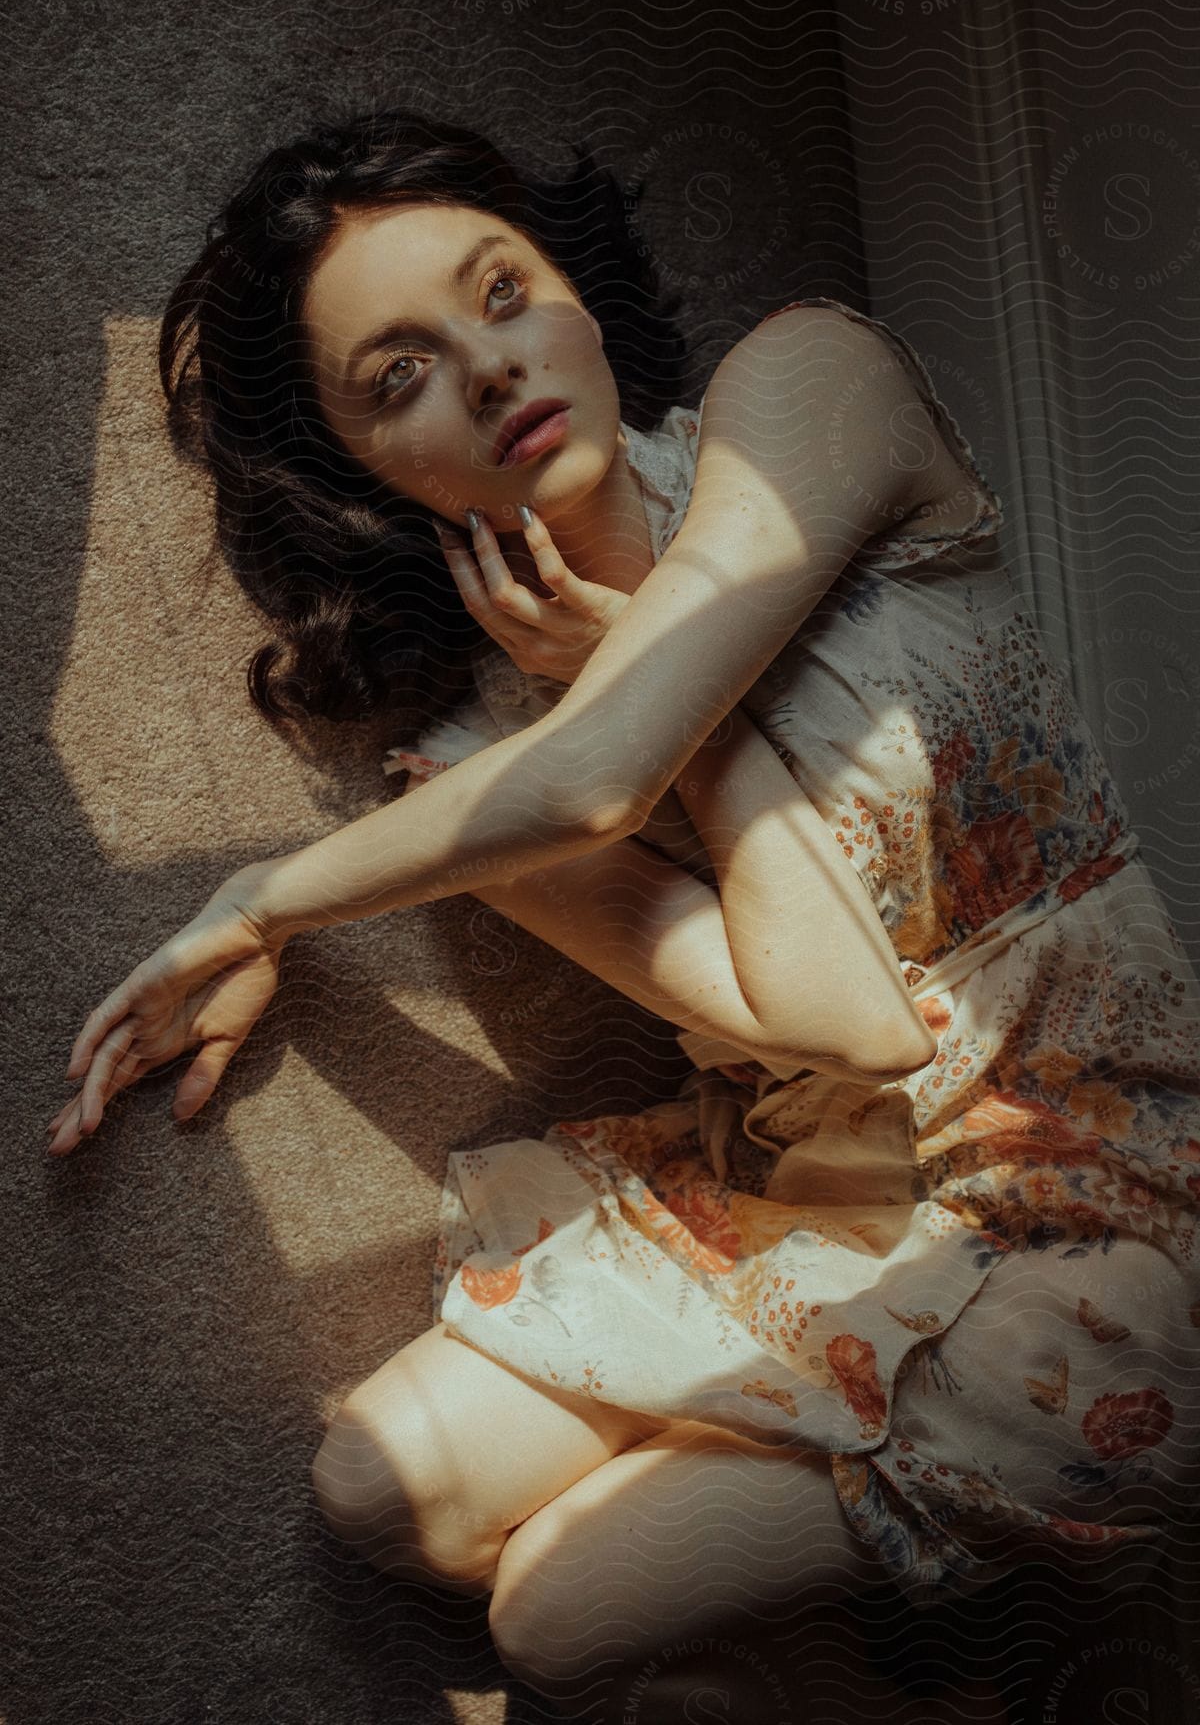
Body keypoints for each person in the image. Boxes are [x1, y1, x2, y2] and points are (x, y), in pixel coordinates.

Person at [46, 107, 1200, 1722]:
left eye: (503, 291)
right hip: (822, 1195)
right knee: (383, 1498)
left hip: (1095, 1202)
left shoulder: (808, 386)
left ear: (575, 287)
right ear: (357, 473)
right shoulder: (464, 777)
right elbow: (820, 1029)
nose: (492, 365)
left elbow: (660, 817)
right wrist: (557, 718)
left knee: (555, 1627)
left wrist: (261, 902)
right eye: (401, 378)